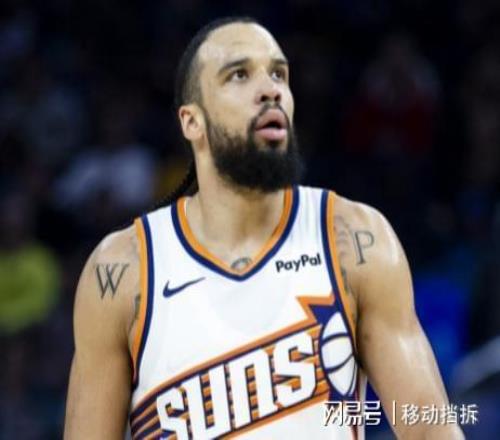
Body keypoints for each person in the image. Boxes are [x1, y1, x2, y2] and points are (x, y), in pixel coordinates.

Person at [64, 17, 464, 440]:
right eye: (239, 75)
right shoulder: (124, 272)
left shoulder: (354, 239)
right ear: (192, 122)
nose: (271, 89)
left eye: (278, 74)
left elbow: (429, 428)